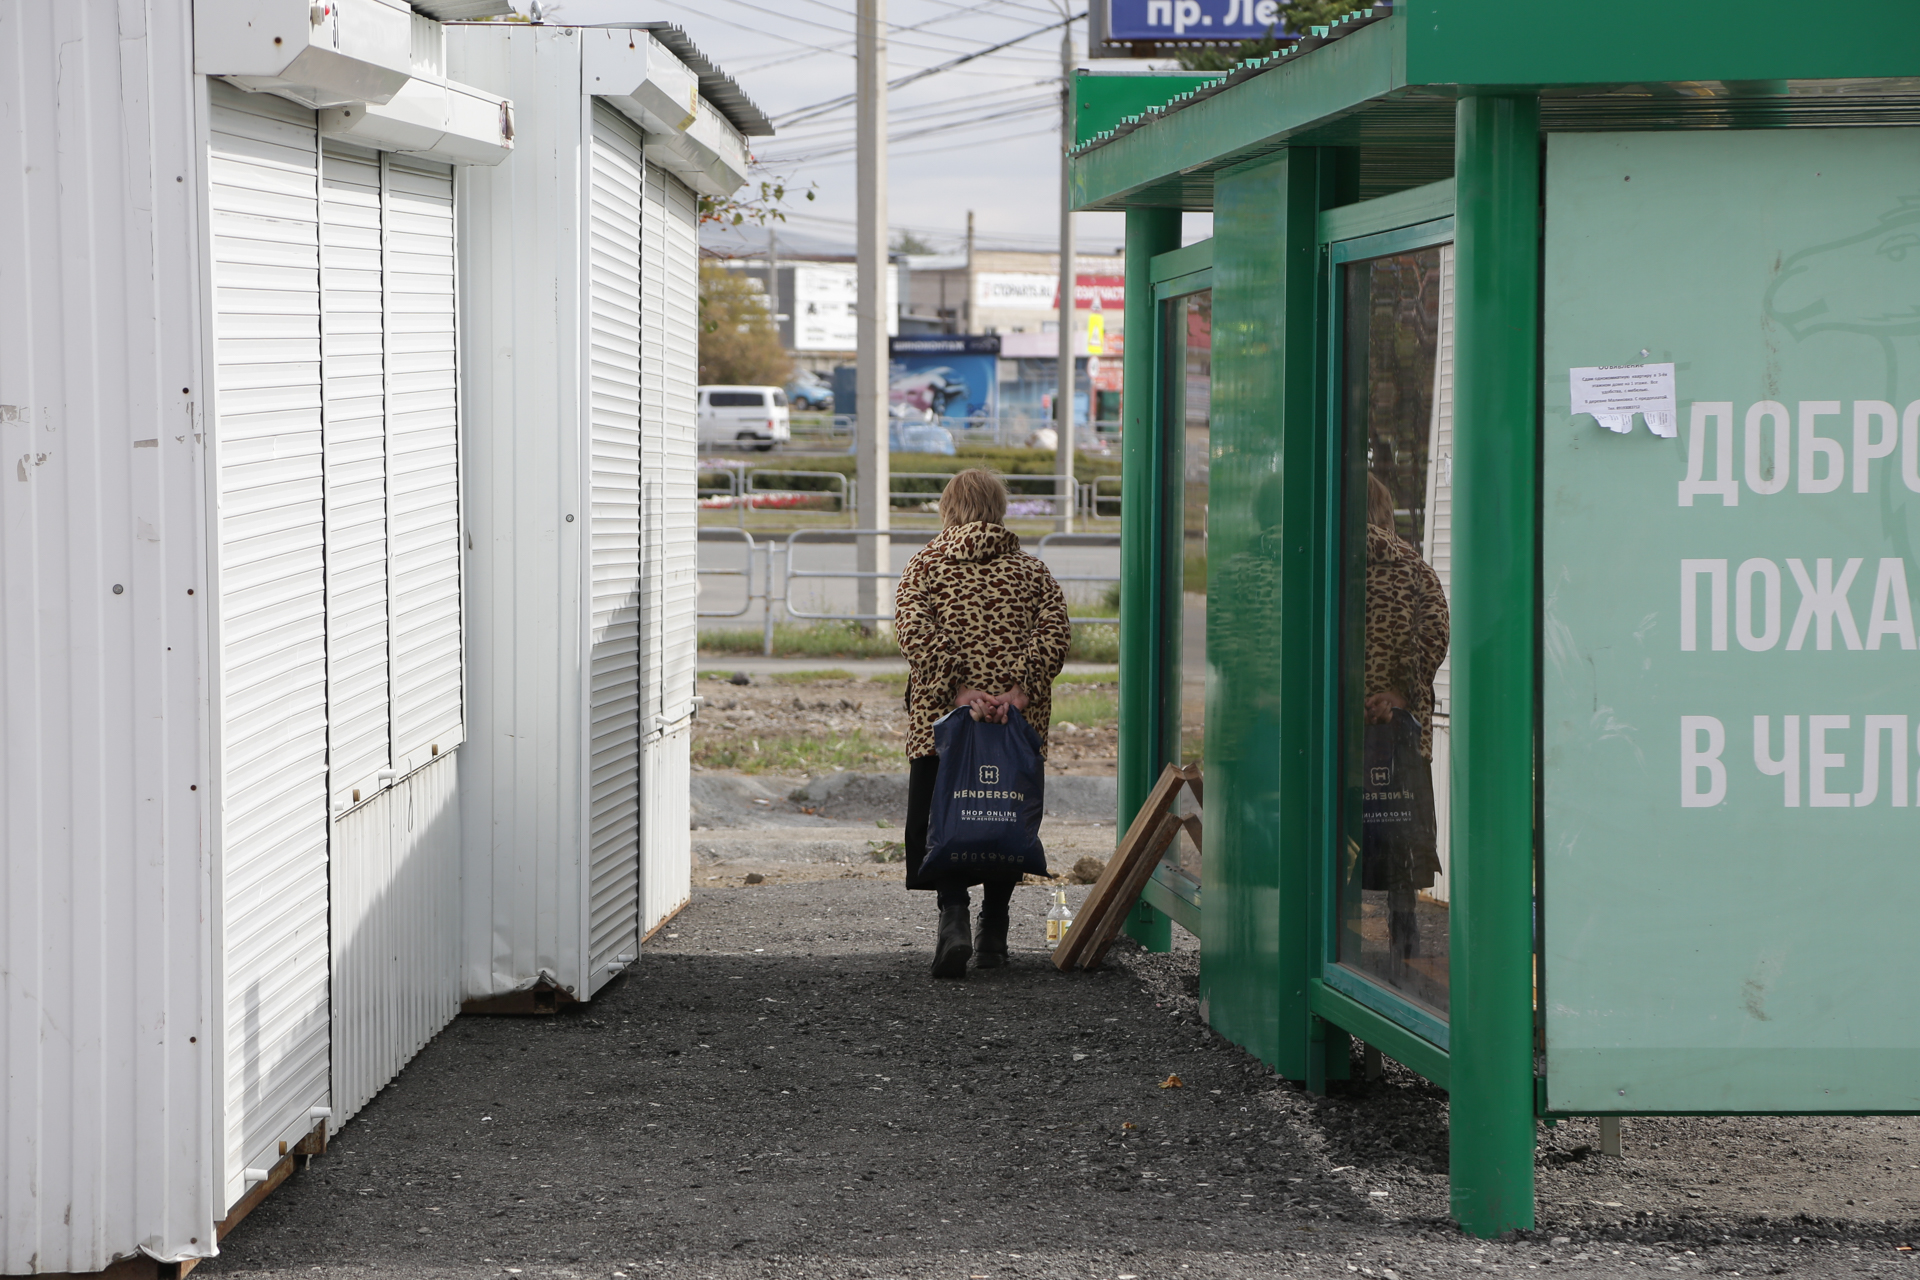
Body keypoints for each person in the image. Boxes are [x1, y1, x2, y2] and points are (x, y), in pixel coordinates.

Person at [894, 469, 1072, 978]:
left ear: (947, 509)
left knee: (940, 816)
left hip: (943, 723)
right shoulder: (1032, 572)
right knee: (1003, 818)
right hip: (1014, 724)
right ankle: (994, 931)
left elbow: (912, 631)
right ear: (1000, 508)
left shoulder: (925, 566)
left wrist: (957, 690)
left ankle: (953, 917)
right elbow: (1054, 633)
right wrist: (1016, 691)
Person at [1362, 473, 1449, 963]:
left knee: (1337, 833)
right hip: (1396, 727)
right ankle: (1404, 947)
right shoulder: (1414, 569)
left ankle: (1334, 944)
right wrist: (1397, 694)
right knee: (1397, 830)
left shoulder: (1318, 560)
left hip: (1339, 727)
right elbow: (1434, 635)